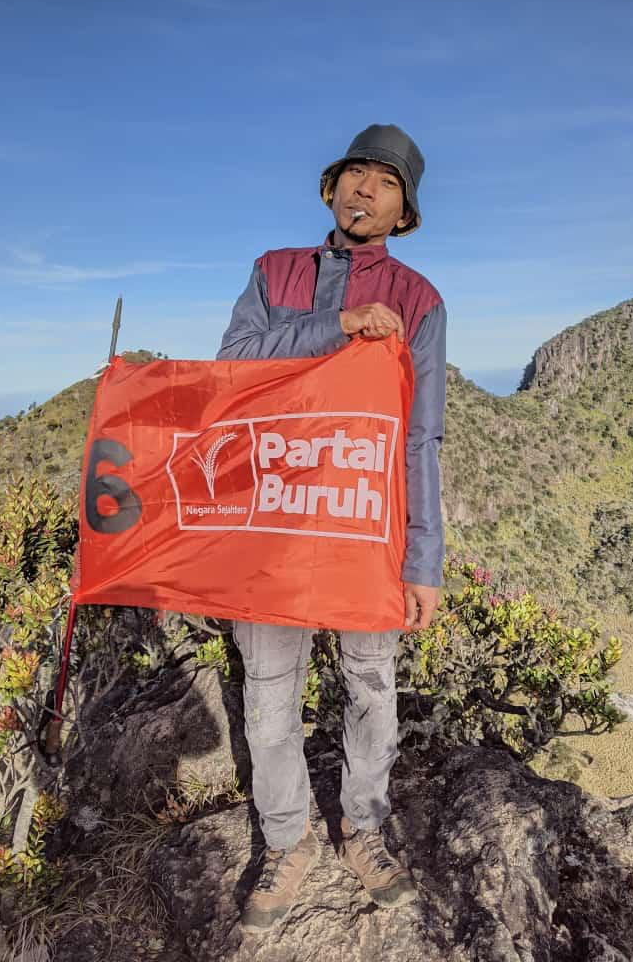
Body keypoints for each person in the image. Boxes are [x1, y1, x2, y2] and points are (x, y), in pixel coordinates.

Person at [216, 124, 447, 933]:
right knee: (269, 697)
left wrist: (423, 557)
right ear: (330, 188)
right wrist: (338, 327)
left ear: (403, 212)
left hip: (364, 529)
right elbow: (235, 362)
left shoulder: (421, 300)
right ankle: (286, 841)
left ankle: (365, 829)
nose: (365, 191)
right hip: (270, 524)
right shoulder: (274, 271)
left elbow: (420, 434)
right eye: (356, 175)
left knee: (371, 685)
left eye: (386, 184)